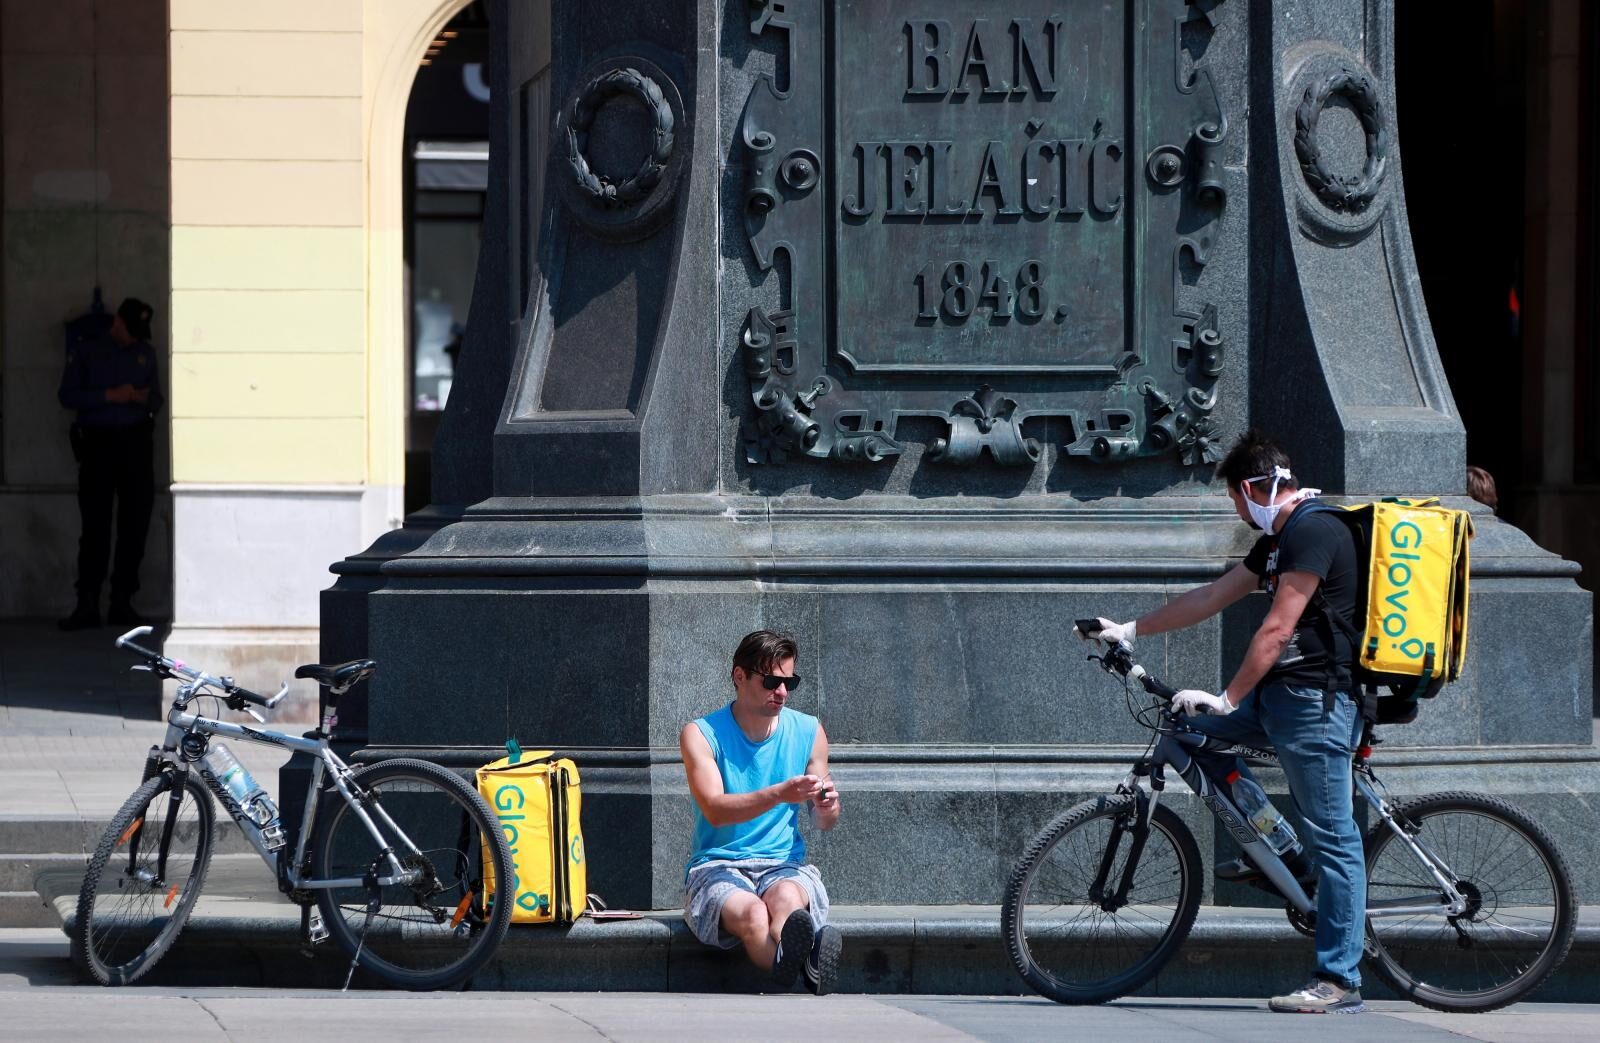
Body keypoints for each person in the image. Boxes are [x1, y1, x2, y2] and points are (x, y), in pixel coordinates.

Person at [1083, 430, 1366, 1015]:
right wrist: (1129, 630)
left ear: (1251, 489)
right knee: (1193, 737)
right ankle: (1282, 852)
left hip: (1316, 703)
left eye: (1235, 500)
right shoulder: (1277, 540)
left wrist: (1228, 698)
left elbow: (1278, 629)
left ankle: (1339, 980)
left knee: (1336, 839)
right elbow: (1213, 595)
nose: (1238, 512)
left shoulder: (1314, 530)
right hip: (1280, 699)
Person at [679, 630, 843, 994]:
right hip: (717, 865)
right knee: (753, 914)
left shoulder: (809, 731)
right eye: (771, 682)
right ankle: (808, 969)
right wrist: (779, 794)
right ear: (740, 676)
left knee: (787, 902)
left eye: (789, 683)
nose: (782, 692)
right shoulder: (701, 734)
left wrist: (827, 806)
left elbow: (825, 820)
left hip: (783, 864)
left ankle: (796, 959)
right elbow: (715, 811)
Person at [57, 297, 162, 630]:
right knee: (95, 527)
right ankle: (87, 603)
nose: (135, 338)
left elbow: (157, 399)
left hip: (136, 444)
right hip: (98, 444)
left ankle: (122, 602)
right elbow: (67, 396)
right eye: (131, 330)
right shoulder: (88, 352)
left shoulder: (146, 353)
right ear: (117, 323)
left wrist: (142, 398)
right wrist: (109, 396)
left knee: (135, 524)